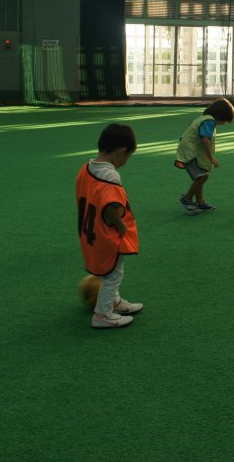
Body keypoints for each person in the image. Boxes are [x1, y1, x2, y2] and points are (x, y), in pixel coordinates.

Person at [76, 123, 143, 329]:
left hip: (90, 233)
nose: (126, 162)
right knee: (113, 274)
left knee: (111, 272)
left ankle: (113, 301)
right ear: (121, 152)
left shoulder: (87, 168)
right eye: (127, 157)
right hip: (106, 234)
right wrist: (120, 224)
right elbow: (109, 204)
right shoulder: (110, 175)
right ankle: (102, 315)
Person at [175, 98, 234, 215]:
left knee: (201, 175)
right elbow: (205, 139)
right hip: (190, 153)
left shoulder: (204, 118)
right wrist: (211, 158)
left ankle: (200, 202)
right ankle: (186, 199)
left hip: (189, 151)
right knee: (202, 177)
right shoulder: (210, 121)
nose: (223, 123)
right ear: (221, 115)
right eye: (225, 120)